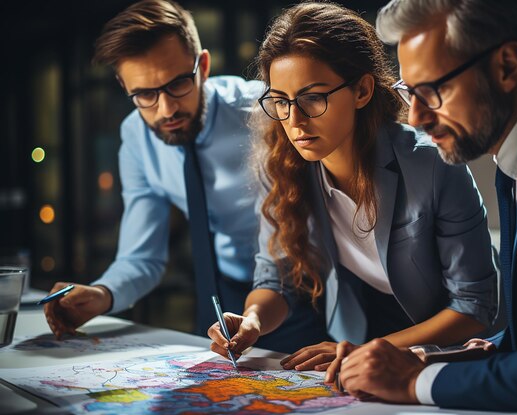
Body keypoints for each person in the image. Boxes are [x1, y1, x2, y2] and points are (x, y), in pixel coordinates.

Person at [330, 0, 517, 415]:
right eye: (408, 93)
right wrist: (441, 357)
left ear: (506, 66)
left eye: (432, 91)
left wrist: (415, 381)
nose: (415, 118)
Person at [208, 1, 499, 371]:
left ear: (362, 90)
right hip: (359, 336)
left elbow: (473, 308)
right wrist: (253, 320)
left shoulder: (433, 164)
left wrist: (369, 349)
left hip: (450, 349)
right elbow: (276, 277)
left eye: (313, 97)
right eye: (281, 101)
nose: (294, 120)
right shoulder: (281, 165)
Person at [42, 0, 329, 354]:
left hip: (302, 287)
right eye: (145, 94)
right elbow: (142, 255)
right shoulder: (136, 137)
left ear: (203, 66)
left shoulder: (267, 113)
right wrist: (102, 294)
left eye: (177, 83)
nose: (166, 109)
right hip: (220, 293)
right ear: (123, 85)